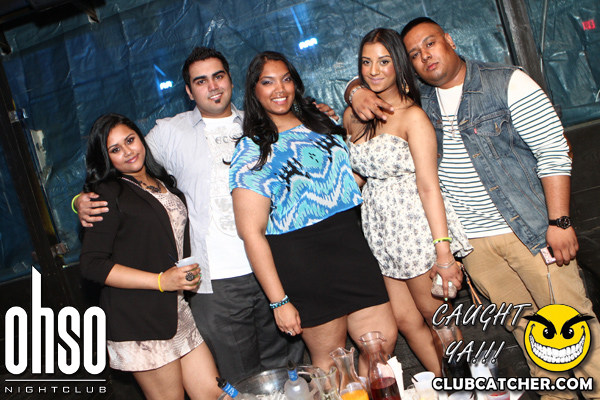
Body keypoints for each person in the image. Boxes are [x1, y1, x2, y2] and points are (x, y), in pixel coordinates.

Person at [347, 17, 600, 399]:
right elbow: (373, 83)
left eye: (430, 43)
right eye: (414, 53)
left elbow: (554, 150)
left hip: (528, 231)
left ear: (449, 39)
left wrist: (560, 221)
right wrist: (355, 90)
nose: (425, 56)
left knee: (570, 326)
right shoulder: (424, 100)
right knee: (528, 331)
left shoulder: (506, 81)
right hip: (476, 246)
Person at [75, 47, 304, 384]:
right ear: (188, 91)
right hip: (215, 284)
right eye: (201, 81)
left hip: (274, 269)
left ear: (230, 79)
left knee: (290, 371)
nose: (212, 86)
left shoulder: (261, 123)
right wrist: (80, 200)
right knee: (240, 381)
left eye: (218, 76)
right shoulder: (169, 133)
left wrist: (354, 91)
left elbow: (312, 125)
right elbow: (120, 165)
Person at [229, 51, 397, 374]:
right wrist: (279, 301)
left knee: (382, 345)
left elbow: (346, 180)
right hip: (304, 265)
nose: (279, 89)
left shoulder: (320, 122)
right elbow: (251, 233)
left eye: (286, 79)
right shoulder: (252, 149)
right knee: (332, 365)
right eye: (268, 82)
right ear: (254, 91)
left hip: (352, 249)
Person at [343, 28, 472, 377]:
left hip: (414, 229)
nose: (374, 70)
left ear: (398, 64)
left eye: (384, 61)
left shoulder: (412, 116)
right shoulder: (353, 115)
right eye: (366, 62)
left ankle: (467, 389)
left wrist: (444, 252)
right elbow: (359, 175)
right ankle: (448, 388)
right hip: (380, 232)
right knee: (405, 321)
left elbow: (429, 187)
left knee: (437, 319)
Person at [79, 113, 221, 400]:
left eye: (130, 140)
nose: (127, 151)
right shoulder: (107, 192)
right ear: (106, 158)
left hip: (176, 310)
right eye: (115, 149)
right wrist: (160, 281)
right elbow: (91, 265)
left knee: (213, 393)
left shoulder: (161, 181)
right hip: (138, 320)